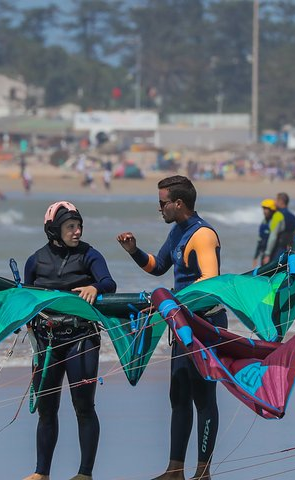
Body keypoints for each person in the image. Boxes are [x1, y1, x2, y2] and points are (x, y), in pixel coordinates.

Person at [116, 175, 226, 480]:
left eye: (163, 203)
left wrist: (172, 301)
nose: (160, 208)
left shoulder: (202, 235)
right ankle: (175, 470)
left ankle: (203, 472)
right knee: (178, 395)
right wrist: (133, 251)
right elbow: (158, 266)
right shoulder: (178, 231)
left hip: (205, 323)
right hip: (181, 322)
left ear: (179, 203)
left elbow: (210, 279)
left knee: (203, 397)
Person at [23, 201, 117, 480]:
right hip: (46, 341)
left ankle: (84, 473)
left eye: (78, 226)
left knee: (84, 406)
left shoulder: (90, 255)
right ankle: (42, 473)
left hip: (81, 337)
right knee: (46, 409)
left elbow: (109, 283)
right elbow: (25, 296)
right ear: (54, 229)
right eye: (70, 226)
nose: (76, 232)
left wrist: (94, 286)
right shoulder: (35, 260)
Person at [262, 192, 295, 264]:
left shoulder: (277, 216)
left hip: (277, 251)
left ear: (280, 201)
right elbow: (294, 235)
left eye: (276, 200)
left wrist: (267, 254)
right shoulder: (294, 217)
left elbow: (273, 236)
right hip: (287, 251)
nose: (274, 202)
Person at [254, 198, 284, 267]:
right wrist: (256, 255)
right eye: (264, 209)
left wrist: (267, 254)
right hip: (265, 253)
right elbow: (260, 239)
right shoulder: (264, 221)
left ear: (272, 210)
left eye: (266, 209)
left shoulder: (277, 218)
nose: (264, 211)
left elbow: (273, 237)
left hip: (275, 252)